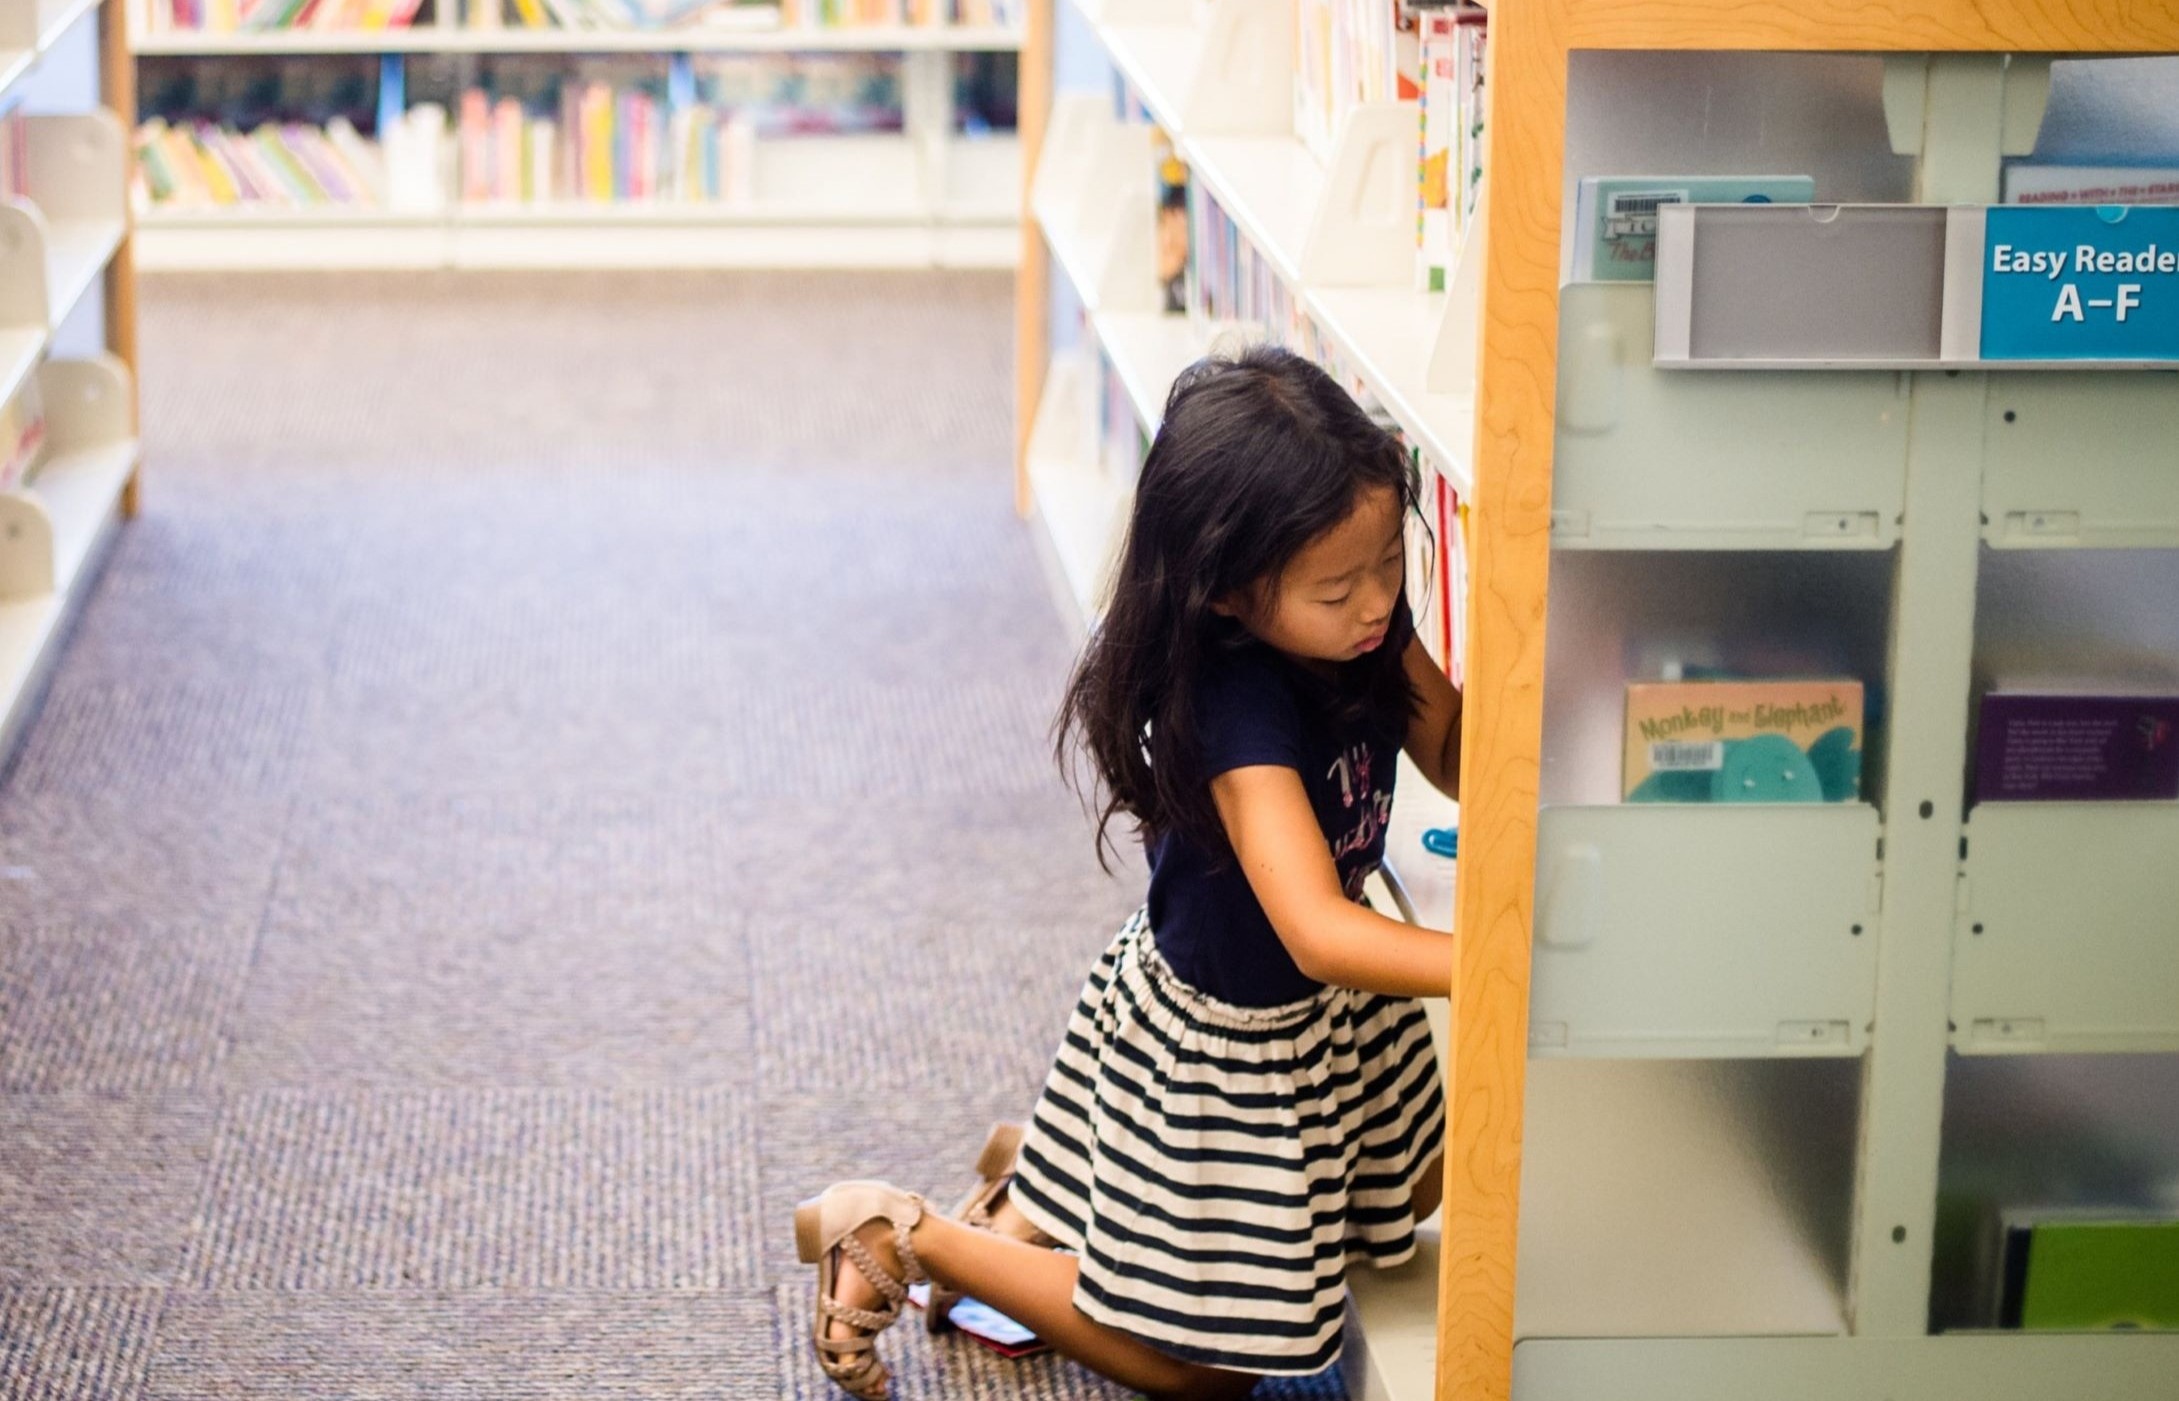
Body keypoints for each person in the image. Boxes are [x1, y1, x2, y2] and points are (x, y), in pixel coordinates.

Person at [794, 345, 1461, 1400]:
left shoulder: (1364, 621)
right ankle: (903, 1228)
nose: (1378, 603)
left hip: (1329, 1018)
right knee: (1212, 1373)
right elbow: (1316, 931)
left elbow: (1454, 757)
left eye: (1390, 563)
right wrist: (1493, 961)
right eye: (1340, 586)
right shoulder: (1238, 709)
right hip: (1236, 1046)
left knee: (1410, 1188)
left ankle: (1076, 1184)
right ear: (1232, 591)